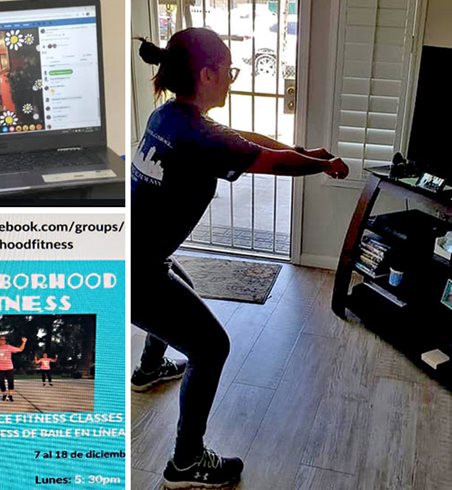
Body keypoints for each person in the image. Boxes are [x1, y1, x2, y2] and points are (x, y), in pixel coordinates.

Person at [131, 28, 349, 489]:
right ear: (207, 74)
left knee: (176, 282)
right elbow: (270, 163)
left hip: (132, 254)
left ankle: (148, 369)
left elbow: (243, 140)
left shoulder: (168, 116)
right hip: (133, 272)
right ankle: (185, 462)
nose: (231, 79)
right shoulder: (197, 134)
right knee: (211, 347)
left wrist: (301, 150)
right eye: (228, 71)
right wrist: (318, 163)